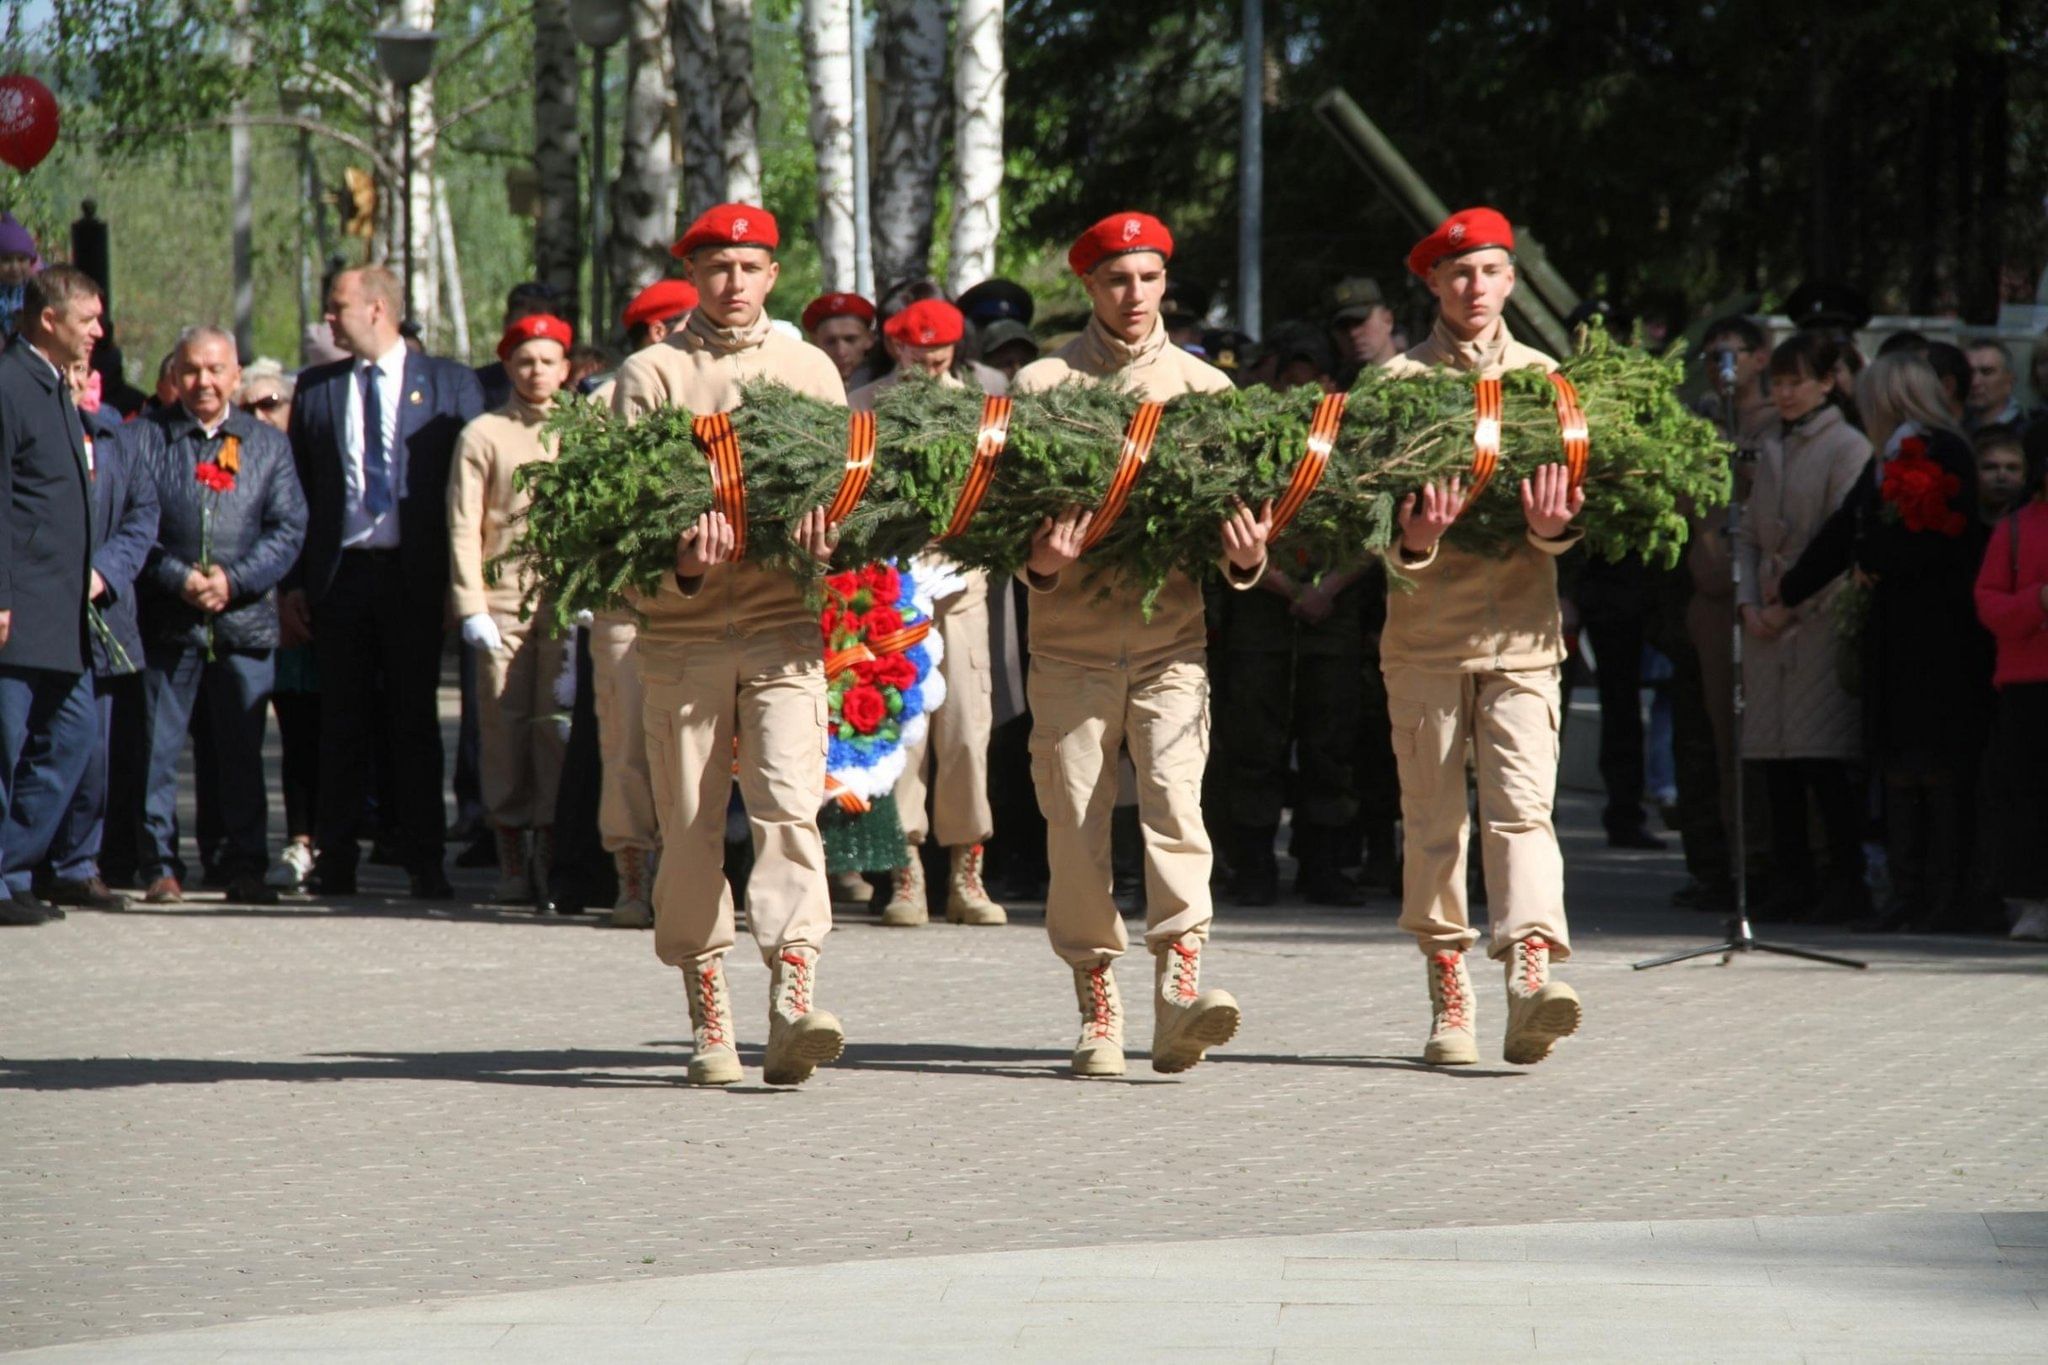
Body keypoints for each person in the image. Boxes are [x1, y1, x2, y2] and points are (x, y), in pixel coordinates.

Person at [1009, 210, 1267, 1078]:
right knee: (1076, 826)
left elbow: (1236, 536)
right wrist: (1038, 561)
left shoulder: (1205, 392)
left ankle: (1180, 988)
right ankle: (1098, 1004)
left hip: (1171, 647)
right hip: (1072, 648)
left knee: (1175, 807)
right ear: (1089, 286)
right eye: (1117, 279)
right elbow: (1000, 524)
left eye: (1149, 277)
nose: (1134, 294)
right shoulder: (1044, 385)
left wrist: (1246, 557)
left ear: (1166, 282)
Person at [611, 203, 849, 1087]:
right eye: (717, 267)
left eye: (750, 267)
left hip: (784, 627)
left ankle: (794, 995)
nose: (734, 284)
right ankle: (709, 1009)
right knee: (689, 824)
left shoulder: (809, 369)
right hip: (681, 632)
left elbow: (847, 491)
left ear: (774, 275)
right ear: (693, 274)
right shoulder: (651, 374)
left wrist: (834, 539)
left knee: (789, 805)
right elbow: (619, 521)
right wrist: (676, 562)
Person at [1374, 208, 1584, 1069]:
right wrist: (1416, 538)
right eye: (1459, 273)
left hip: (1525, 639)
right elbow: (1366, 521)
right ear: (1433, 282)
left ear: (1511, 279)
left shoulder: (1551, 384)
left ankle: (1529, 973)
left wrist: (1550, 529)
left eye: (1491, 271)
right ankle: (1448, 988)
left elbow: (1580, 514)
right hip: (1426, 641)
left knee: (1524, 812)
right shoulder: (1392, 384)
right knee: (1433, 823)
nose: (1475, 287)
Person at [284, 265, 485, 899]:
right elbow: (298, 496)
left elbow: (470, 494)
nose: (327, 318)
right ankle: (336, 857)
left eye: (336, 306)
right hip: (342, 579)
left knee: (414, 721)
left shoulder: (449, 385)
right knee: (339, 722)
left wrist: (463, 586)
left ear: (375, 309)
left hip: (414, 577)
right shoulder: (317, 390)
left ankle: (424, 858)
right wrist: (293, 585)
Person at [1779, 355, 1992, 933]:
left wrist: (1872, 558)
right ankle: (1908, 890)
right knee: (1898, 762)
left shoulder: (1940, 451)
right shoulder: (1890, 454)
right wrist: (1791, 589)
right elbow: (1845, 528)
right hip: (1902, 632)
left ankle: (1943, 893)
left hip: (1939, 637)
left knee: (1935, 765)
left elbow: (1934, 542)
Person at [133, 327, 306, 906]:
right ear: (173, 376)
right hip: (167, 620)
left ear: (236, 375)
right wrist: (178, 577)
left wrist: (234, 580)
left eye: (215, 370)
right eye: (191, 370)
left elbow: (288, 528)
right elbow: (130, 526)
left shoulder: (266, 444)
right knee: (160, 749)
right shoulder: (145, 440)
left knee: (239, 750)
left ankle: (243, 862)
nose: (203, 381)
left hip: (244, 623)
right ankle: (159, 863)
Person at [849, 300, 1006, 927]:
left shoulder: (982, 411)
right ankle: (905, 875)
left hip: (961, 587)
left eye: (939, 358)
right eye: (916, 356)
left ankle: (968, 876)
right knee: (900, 735)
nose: (927, 367)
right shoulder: (863, 407)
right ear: (894, 348)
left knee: (968, 731)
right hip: (889, 592)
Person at [1736, 332, 1871, 923]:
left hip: (1817, 616)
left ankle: (1846, 880)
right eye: (1779, 383)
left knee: (1822, 759)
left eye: (1797, 381)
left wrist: (1790, 605)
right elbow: (1742, 530)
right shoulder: (1764, 441)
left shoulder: (1848, 447)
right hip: (1765, 614)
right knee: (1775, 763)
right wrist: (1748, 605)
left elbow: (1841, 540)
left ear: (1826, 382)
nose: (1786, 393)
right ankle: (1789, 877)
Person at [578, 279, 699, 928]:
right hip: (627, 606)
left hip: (703, 608)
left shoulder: (705, 392)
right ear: (658, 332)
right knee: (625, 742)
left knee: (693, 750)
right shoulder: (599, 410)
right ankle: (632, 876)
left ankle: (689, 876)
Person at [449, 314, 575, 912]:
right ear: (507, 367)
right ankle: (510, 862)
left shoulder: (585, 429)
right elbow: (463, 525)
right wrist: (469, 603)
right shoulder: (484, 434)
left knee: (555, 729)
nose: (536, 371)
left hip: (565, 602)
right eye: (525, 361)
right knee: (502, 728)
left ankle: (548, 859)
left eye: (548, 360)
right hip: (502, 605)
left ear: (567, 368)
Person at [0, 266, 105, 926]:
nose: (99, 330)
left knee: (72, 738)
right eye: (88, 318)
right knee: (5, 747)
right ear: (48, 319)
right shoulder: (9, 383)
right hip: (18, 604)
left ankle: (11, 866)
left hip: (61, 607)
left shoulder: (53, 384)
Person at [38, 355, 157, 912]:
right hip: (39, 607)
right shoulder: (28, 424)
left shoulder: (119, 438)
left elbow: (142, 514)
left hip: (104, 611)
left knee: (95, 749)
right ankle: (24, 863)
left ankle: (77, 863)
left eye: (87, 369)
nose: (80, 380)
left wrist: (103, 573)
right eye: (71, 369)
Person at [1974, 454, 2048, 940]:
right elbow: (1988, 602)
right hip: (2028, 680)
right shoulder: (2015, 529)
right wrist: (2037, 602)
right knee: (2029, 797)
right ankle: (2035, 901)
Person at [473, 282, 565, 411]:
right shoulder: (479, 384)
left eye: (542, 319)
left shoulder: (575, 384)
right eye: (525, 323)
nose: (533, 329)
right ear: (507, 322)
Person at [1326, 277, 1398, 385]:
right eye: (1343, 326)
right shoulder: (1331, 393)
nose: (1352, 334)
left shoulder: (1422, 378)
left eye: (1360, 321)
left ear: (1387, 320)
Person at [801, 292, 877, 389]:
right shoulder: (802, 386)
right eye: (830, 342)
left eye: (850, 340)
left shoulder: (891, 387)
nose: (841, 352)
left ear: (870, 339)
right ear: (815, 342)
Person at [1966, 341, 2026, 433]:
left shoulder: (2028, 432)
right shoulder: (1953, 428)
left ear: (2010, 380)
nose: (1975, 382)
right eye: (1969, 372)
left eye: (1987, 372)